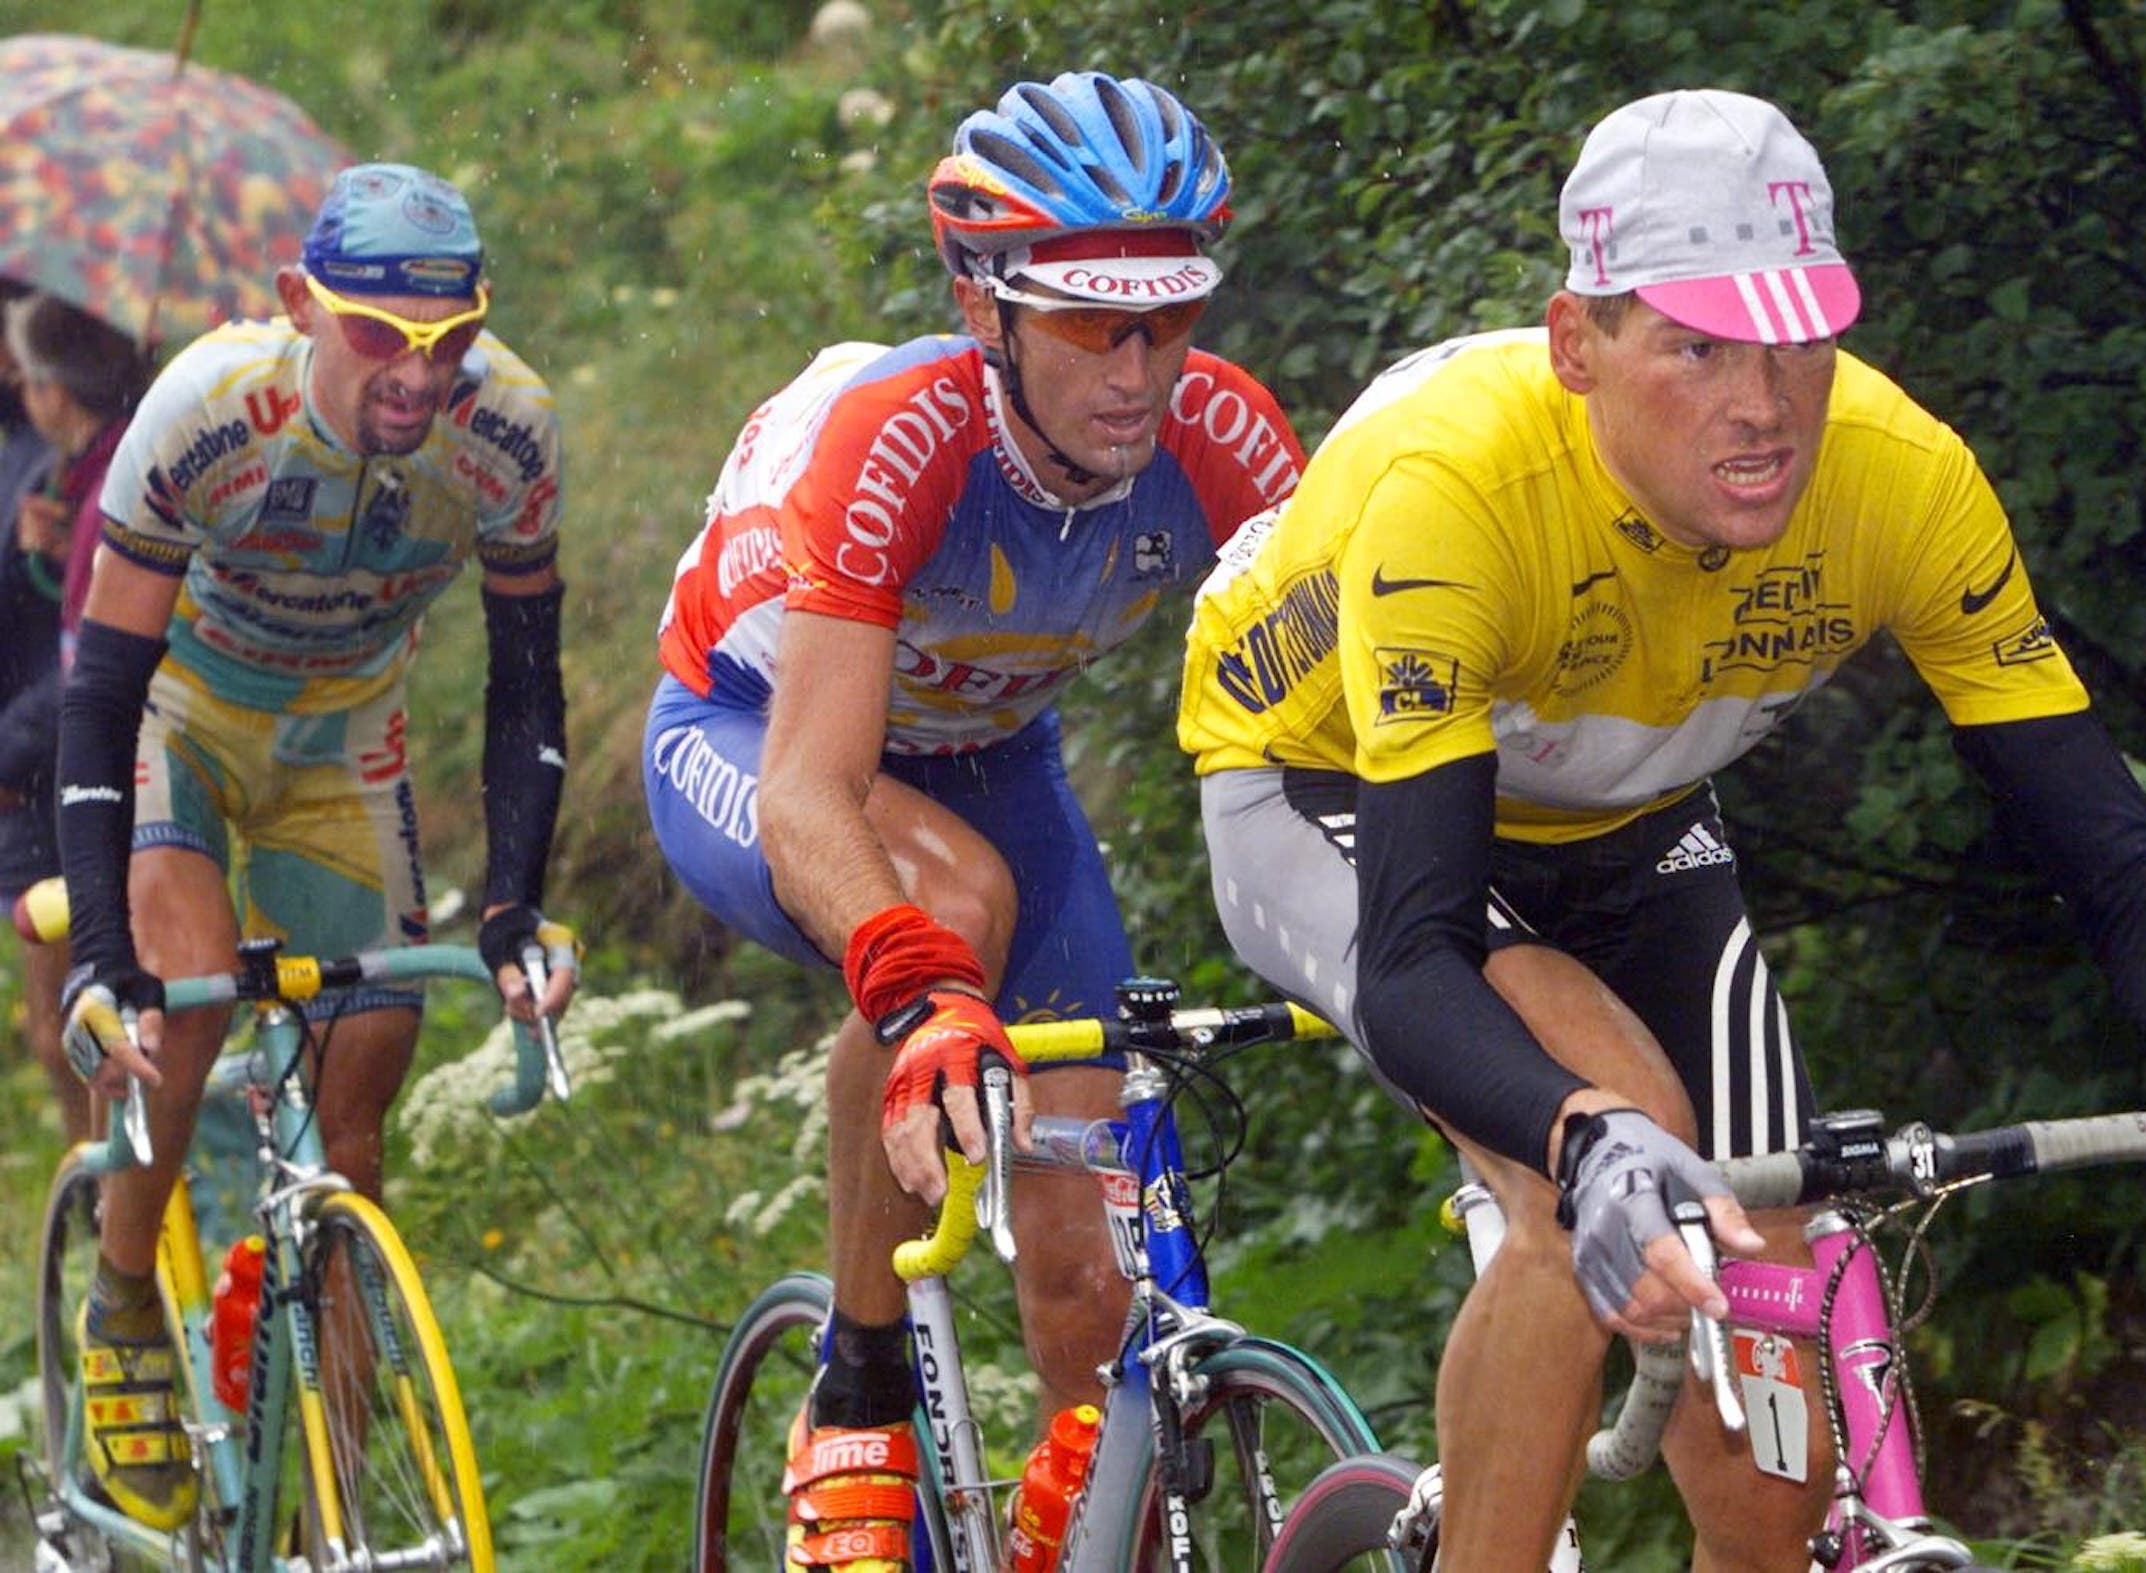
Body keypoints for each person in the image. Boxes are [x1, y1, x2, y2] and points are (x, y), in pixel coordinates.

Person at [1177, 88, 2146, 1572]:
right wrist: (1584, 1139)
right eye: (1695, 345)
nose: (1763, 403)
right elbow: (1422, 953)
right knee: (1609, 1138)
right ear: (1579, 347)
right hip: (1326, 785)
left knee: (1773, 1459)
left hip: (1627, 816)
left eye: (1800, 337)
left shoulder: (1903, 480)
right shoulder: (1460, 489)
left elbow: (2113, 855)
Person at [645, 71, 1303, 1571]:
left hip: (994, 760)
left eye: (1170, 318)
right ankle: (862, 1387)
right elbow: (813, 788)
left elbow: (1353, 712)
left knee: (1090, 1266)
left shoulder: (1226, 438)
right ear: (985, 303)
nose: (1139, 370)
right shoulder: (899, 435)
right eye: (1089, 322)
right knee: (946, 918)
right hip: (752, 732)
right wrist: (919, 990)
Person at [53, 162, 578, 1532]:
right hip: (190, 718)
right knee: (181, 993)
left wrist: (516, 902)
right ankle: (121, 1305)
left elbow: (529, 684)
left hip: (351, 743)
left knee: (358, 1125)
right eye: (377, 335)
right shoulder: (210, 408)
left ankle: (332, 1505)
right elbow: (101, 688)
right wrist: (100, 950)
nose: (416, 374)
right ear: (302, 305)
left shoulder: (506, 431)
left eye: (448, 338)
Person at [1, 290, 151, 1145]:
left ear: (56, 391)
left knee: (84, 1032)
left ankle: (134, 1225)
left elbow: (94, 668)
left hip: (83, 775)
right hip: (65, 762)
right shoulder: (89, 477)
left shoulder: (116, 483)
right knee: (75, 1028)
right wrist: (43, 558)